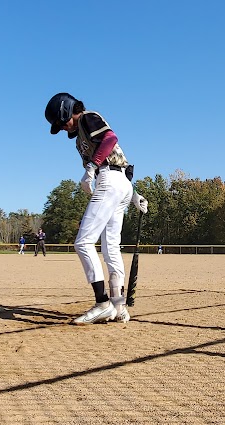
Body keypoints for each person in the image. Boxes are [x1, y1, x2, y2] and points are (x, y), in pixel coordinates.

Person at [45, 92, 148, 325]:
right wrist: (133, 195)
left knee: (83, 242)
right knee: (110, 247)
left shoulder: (87, 118)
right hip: (120, 183)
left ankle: (102, 303)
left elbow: (110, 139)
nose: (62, 129)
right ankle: (119, 306)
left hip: (110, 180)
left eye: (62, 123)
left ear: (66, 111)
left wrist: (91, 167)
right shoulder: (80, 134)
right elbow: (118, 163)